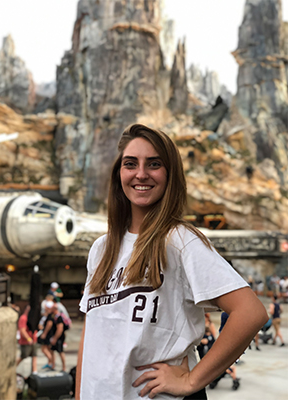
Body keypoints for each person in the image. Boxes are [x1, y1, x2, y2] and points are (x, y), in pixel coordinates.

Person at [76, 124, 268, 400]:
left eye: (153, 164)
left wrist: (192, 380)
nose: (141, 174)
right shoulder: (102, 248)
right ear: (119, 173)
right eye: (131, 164)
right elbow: (91, 332)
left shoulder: (180, 241)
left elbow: (250, 313)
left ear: (169, 174)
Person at [16, 305, 38, 374]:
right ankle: (13, 368)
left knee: (34, 355)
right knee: (23, 356)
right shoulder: (23, 318)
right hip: (25, 342)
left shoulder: (31, 318)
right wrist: (28, 339)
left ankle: (34, 371)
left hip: (34, 339)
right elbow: (22, 330)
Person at [50, 303, 66, 371]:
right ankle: (53, 365)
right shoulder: (54, 316)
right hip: (54, 336)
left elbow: (60, 329)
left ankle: (64, 367)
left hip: (59, 337)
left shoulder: (59, 317)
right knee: (52, 350)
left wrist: (55, 338)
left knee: (60, 351)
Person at [39, 300, 55, 370]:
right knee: (49, 349)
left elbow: (49, 324)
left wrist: (44, 333)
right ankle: (50, 363)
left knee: (44, 349)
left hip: (48, 334)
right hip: (48, 334)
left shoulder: (50, 316)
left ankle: (51, 362)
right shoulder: (48, 315)